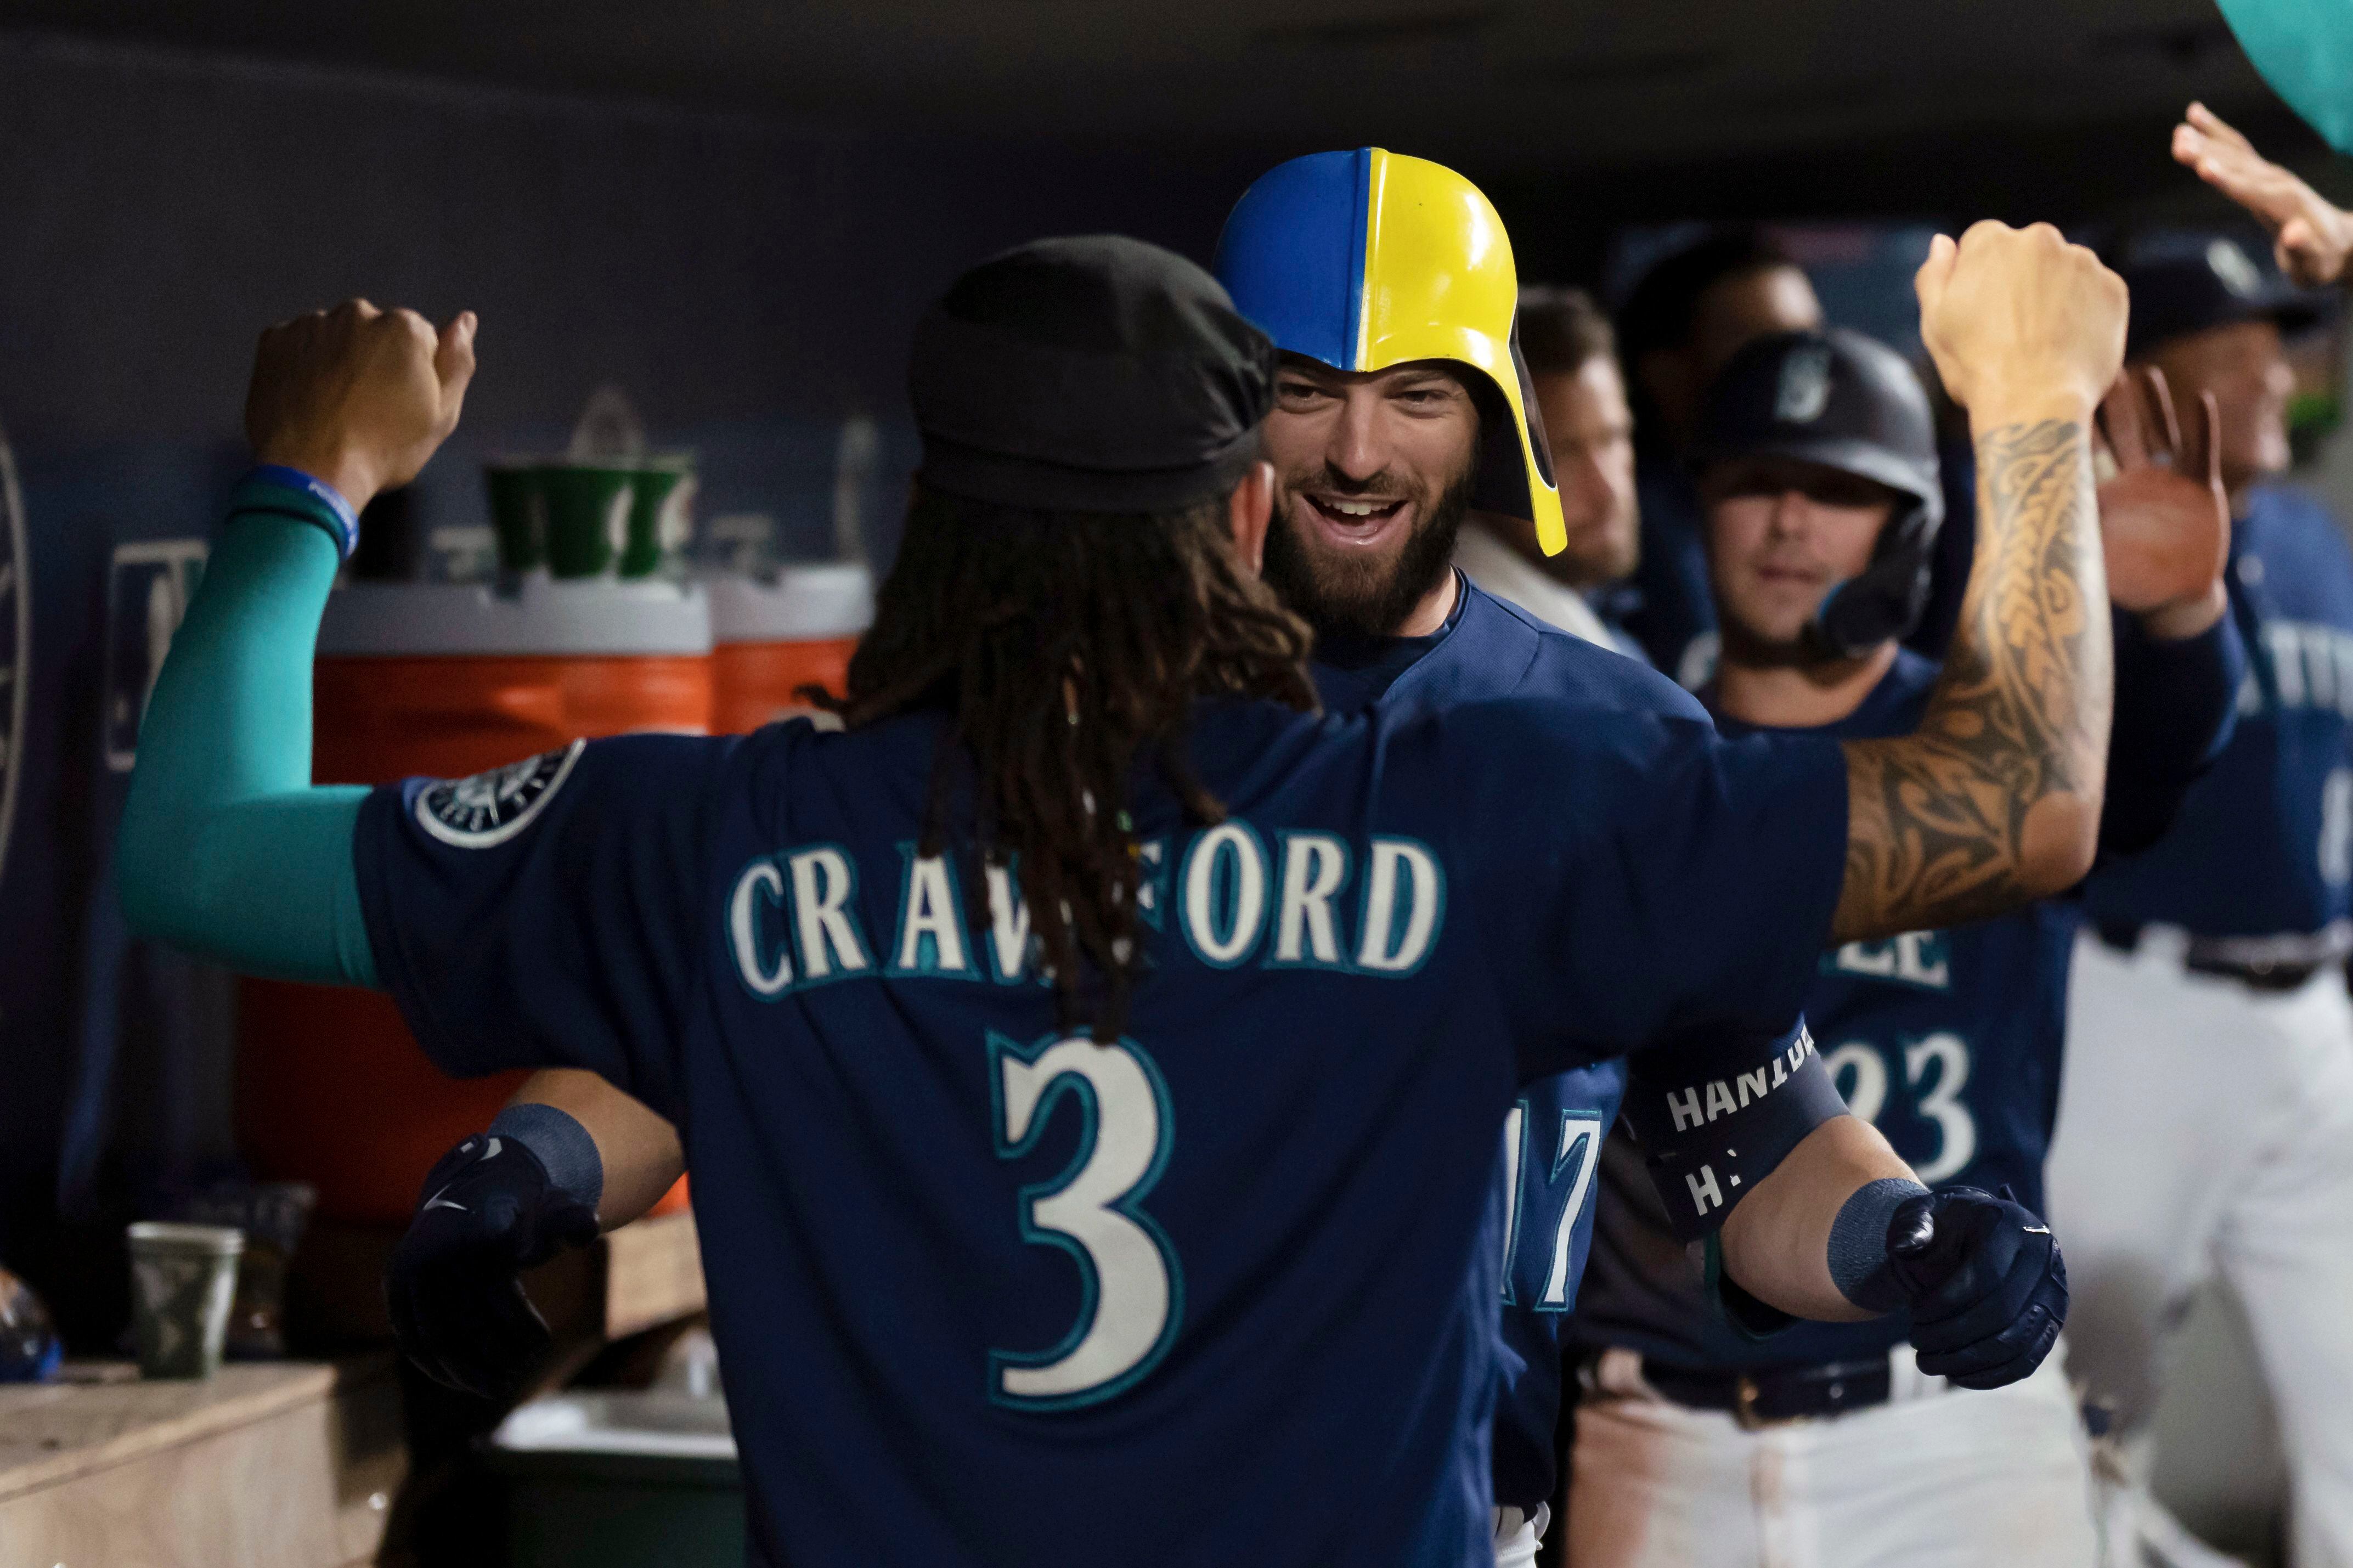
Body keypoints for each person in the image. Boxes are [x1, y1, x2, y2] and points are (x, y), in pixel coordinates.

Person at [122, 222, 2114, 1565]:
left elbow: (194, 846)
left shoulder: (722, 829)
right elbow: (2018, 800)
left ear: (926, 528)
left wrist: (307, 482)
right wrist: (2024, 417)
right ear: (1240, 518)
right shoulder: (1483, 806)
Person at [1560, 327, 2242, 1568]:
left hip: (1947, 1417)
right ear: (1697, 501)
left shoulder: (1993, 754)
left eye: (1835, 492)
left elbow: (2151, 762)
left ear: (1913, 528)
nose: (1786, 524)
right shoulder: (1631, 748)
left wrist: (2183, 620)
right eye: (1755, 482)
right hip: (1659, 1426)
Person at [2051, 108, 2353, 1568]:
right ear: (2144, 383)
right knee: (2079, 1402)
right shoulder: (2081, 533)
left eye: (2274, 348)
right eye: (2233, 355)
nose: (2273, 374)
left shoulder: (2304, 532)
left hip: (2314, 1010)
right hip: (2141, 1003)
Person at [1615, 230, 1825, 683]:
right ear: (1665, 371)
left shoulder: (1844, 507)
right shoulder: (1619, 527)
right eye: (1766, 349)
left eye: (1810, 340)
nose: (1801, 371)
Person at [1452, 286, 1645, 657]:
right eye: (1561, 456)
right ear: (1480, 468)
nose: (1607, 490)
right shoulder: (1498, 652)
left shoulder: (1595, 611)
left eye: (1613, 438)